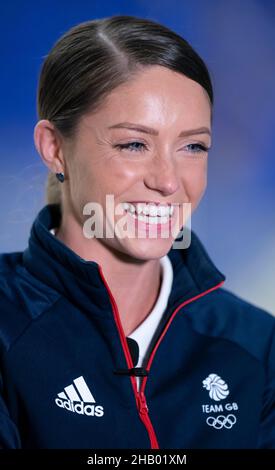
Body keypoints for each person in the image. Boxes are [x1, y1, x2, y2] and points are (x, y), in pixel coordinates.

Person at [0, 14, 274, 450]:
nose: (167, 180)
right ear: (54, 148)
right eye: (134, 143)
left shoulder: (256, 343)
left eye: (193, 147)